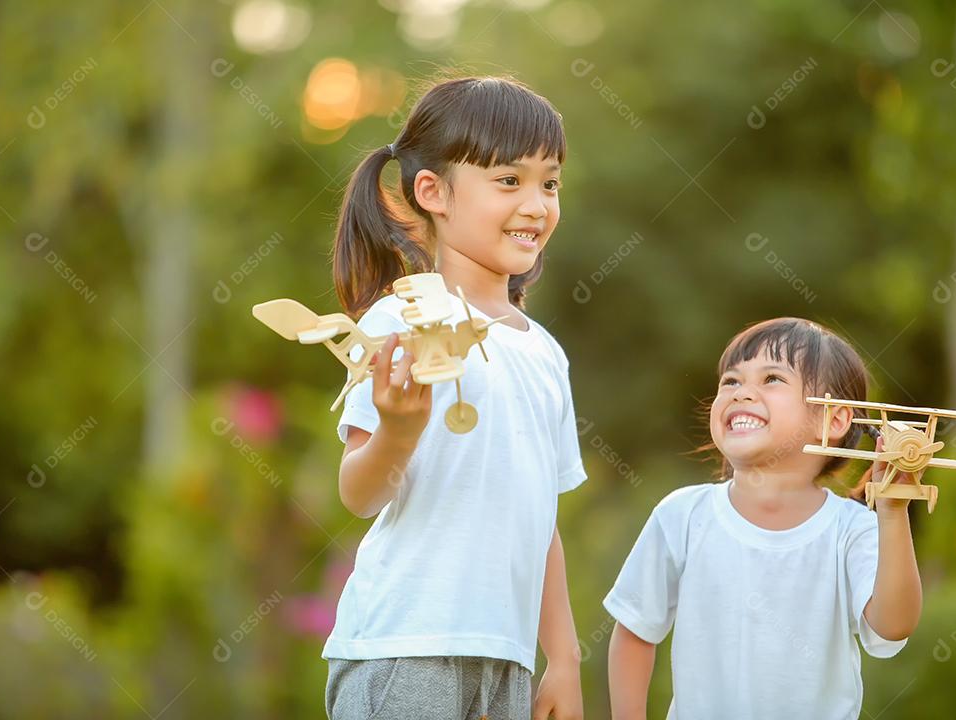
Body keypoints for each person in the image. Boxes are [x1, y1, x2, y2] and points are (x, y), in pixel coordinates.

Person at [322, 76, 586, 720]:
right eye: (508, 181)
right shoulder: (403, 321)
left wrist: (565, 659)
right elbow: (358, 493)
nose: (536, 204)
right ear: (432, 192)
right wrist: (397, 431)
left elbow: (540, 517)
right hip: (406, 646)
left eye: (548, 182)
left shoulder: (545, 352)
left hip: (506, 658)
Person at [605, 317, 921, 720]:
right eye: (731, 381)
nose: (742, 394)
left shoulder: (852, 530)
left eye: (772, 379)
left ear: (834, 420)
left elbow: (894, 625)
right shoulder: (681, 516)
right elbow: (635, 629)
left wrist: (893, 513)